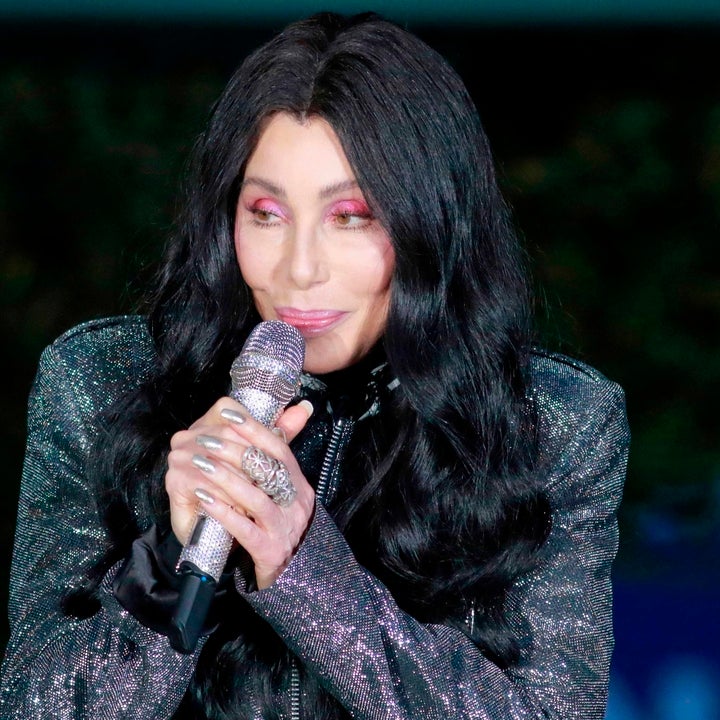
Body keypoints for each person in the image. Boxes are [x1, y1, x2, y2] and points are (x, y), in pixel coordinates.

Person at [0, 11, 629, 720]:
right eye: (267, 213)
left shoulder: (554, 425)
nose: (299, 269)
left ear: (431, 222)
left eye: (351, 215)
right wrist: (174, 554)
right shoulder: (100, 383)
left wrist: (304, 567)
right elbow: (37, 706)